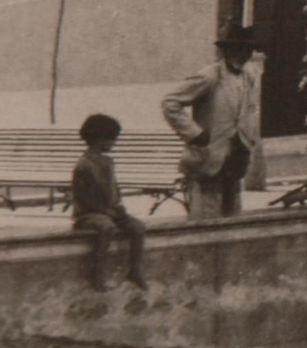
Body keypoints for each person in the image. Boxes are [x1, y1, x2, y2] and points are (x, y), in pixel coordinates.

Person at [160, 23, 264, 220]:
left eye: (248, 50)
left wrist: (248, 140)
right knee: (207, 215)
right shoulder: (209, 76)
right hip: (209, 157)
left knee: (233, 215)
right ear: (227, 50)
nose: (244, 55)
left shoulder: (248, 77)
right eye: (239, 49)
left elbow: (247, 112)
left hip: (236, 156)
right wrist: (194, 133)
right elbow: (170, 103)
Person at [70, 114, 146, 290]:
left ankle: (134, 270)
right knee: (107, 227)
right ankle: (98, 274)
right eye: (112, 139)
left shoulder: (108, 162)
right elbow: (83, 197)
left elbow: (114, 190)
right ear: (100, 139)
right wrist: (105, 211)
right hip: (88, 215)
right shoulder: (83, 165)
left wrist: (118, 207)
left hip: (110, 211)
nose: (114, 143)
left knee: (138, 227)